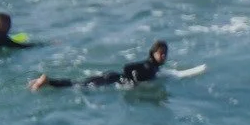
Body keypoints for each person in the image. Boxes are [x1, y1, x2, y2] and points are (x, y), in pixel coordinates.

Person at [30, 39, 166, 91]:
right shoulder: (149, 65)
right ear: (152, 53)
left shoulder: (153, 67)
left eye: (165, 53)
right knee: (78, 85)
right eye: (160, 53)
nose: (163, 56)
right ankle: (47, 81)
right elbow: (128, 67)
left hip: (112, 77)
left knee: (79, 83)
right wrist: (134, 83)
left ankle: (47, 82)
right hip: (114, 79)